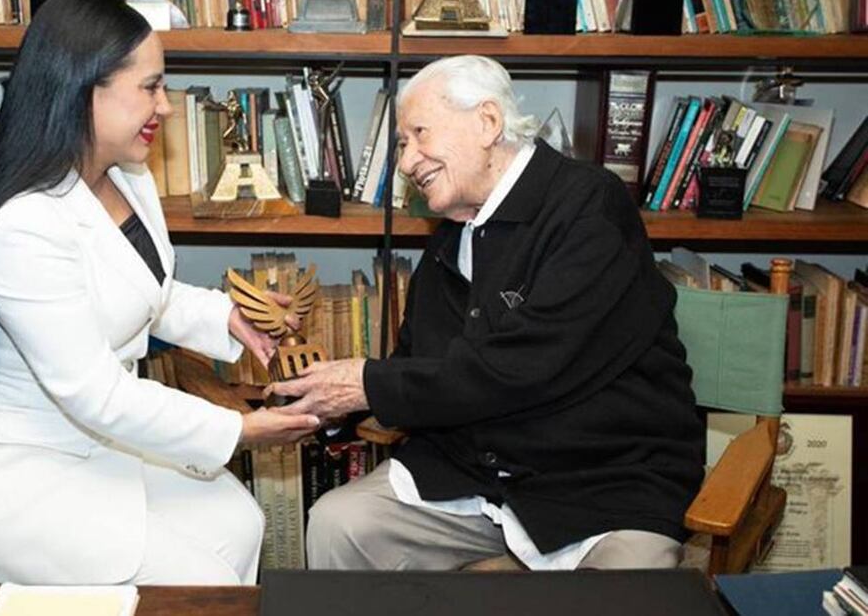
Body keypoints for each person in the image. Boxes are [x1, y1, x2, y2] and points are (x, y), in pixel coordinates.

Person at [0, 0, 319, 586]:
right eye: (151, 87)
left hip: (104, 442)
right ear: (84, 88)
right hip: (28, 473)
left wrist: (225, 317)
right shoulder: (22, 224)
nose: (168, 107)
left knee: (240, 523)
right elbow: (95, 395)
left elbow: (140, 292)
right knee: (204, 582)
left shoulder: (127, 176)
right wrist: (237, 429)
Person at [271, 55, 705, 572]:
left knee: (625, 585)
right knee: (338, 524)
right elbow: (420, 362)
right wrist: (333, 409)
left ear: (487, 123)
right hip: (473, 476)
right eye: (402, 145)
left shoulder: (589, 206)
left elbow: (524, 367)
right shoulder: (451, 236)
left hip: (602, 481)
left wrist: (367, 384)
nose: (406, 163)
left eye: (417, 135)